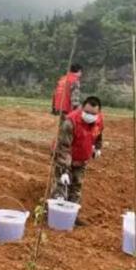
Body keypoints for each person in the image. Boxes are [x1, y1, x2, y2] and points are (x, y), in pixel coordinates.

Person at [51, 96, 104, 225]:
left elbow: (98, 134)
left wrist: (97, 147)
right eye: (87, 112)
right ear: (82, 108)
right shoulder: (71, 122)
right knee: (62, 186)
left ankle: (72, 217)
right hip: (65, 157)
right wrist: (64, 170)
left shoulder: (99, 120)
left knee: (76, 187)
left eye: (93, 113)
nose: (90, 115)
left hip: (82, 160)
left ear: (98, 112)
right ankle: (55, 216)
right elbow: (63, 147)